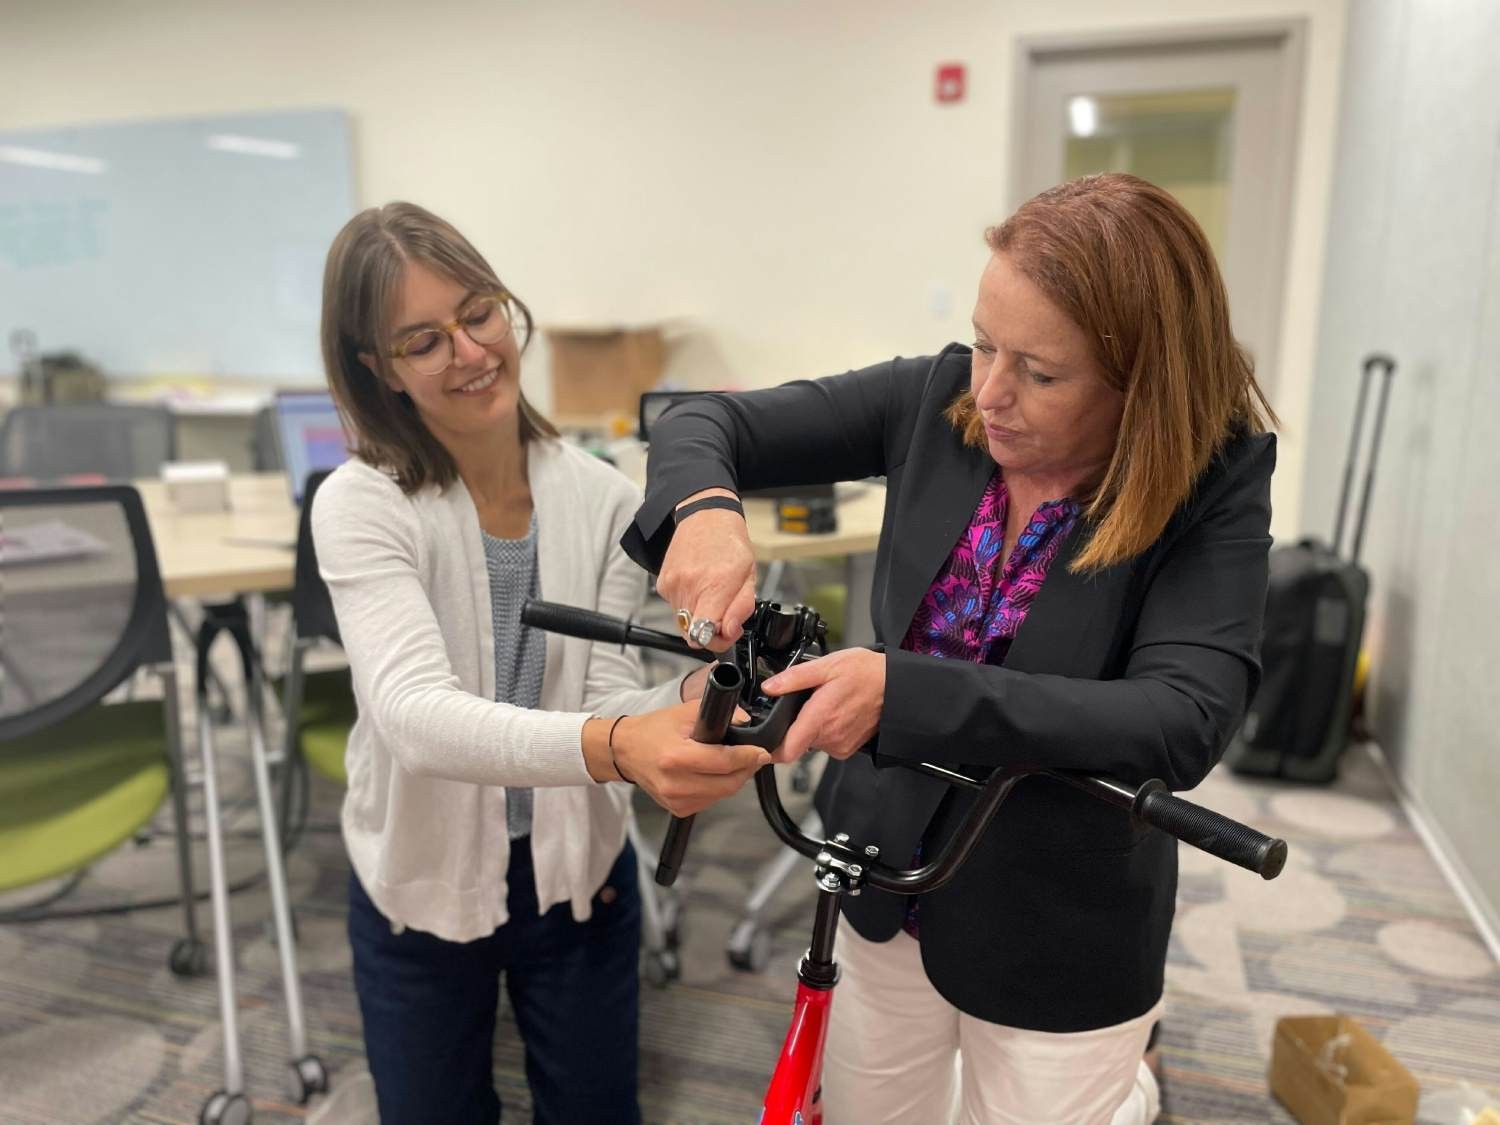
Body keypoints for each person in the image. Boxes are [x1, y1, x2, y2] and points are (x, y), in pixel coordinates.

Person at [623, 173, 1276, 1124]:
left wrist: (907, 692)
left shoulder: (1209, 475)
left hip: (1059, 921)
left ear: (1140, 382)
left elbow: (1182, 718)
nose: (991, 392)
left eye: (1041, 373)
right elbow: (698, 419)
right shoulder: (935, 400)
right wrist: (704, 511)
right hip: (881, 875)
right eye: (983, 343)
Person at [313, 201, 769, 1125]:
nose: (470, 351)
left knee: (598, 1109)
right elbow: (413, 714)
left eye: (479, 313)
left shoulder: (599, 496)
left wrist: (693, 698)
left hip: (576, 877)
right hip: (422, 881)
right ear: (378, 369)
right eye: (423, 340)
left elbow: (603, 692)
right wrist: (617, 745)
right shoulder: (362, 505)